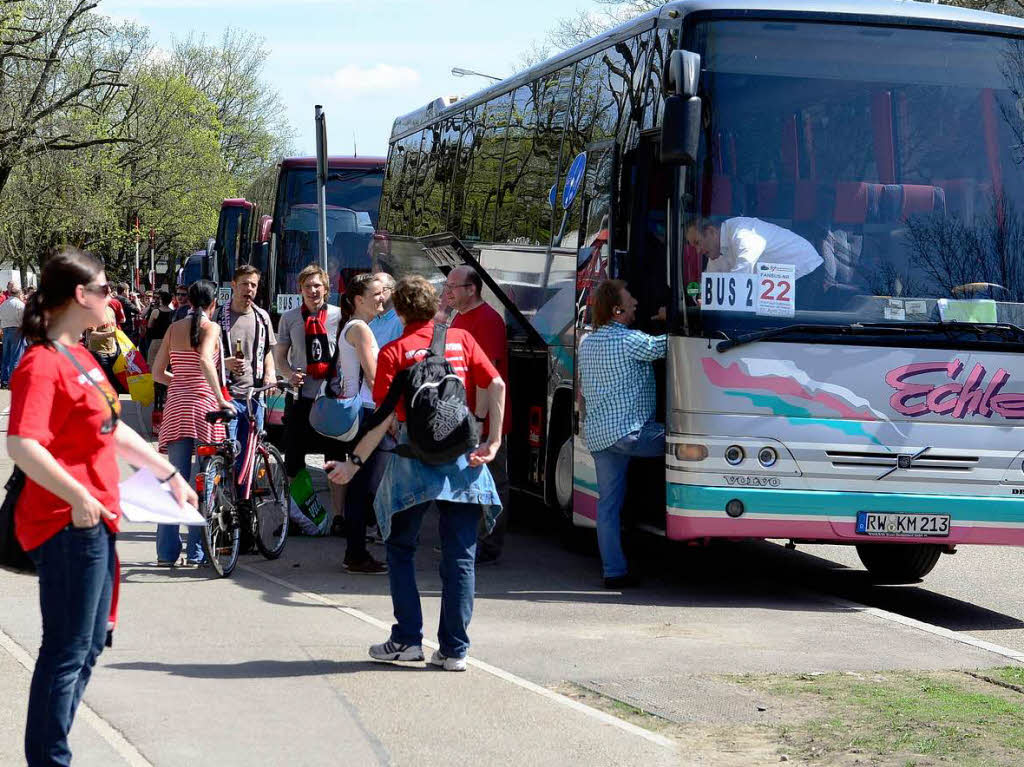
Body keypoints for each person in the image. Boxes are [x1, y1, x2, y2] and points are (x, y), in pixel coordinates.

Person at [7, 248, 196, 767]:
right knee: (65, 652)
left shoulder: (83, 357)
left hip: (97, 520)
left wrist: (169, 472)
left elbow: (112, 431)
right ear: (79, 296)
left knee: (90, 645)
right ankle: (49, 758)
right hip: (66, 523)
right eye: (105, 289)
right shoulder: (42, 363)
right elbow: (23, 443)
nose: (112, 298)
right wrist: (78, 495)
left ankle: (51, 751)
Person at [328, 275, 505, 672]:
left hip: (414, 461)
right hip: (464, 461)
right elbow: (495, 383)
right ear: (435, 306)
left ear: (400, 311)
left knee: (400, 548)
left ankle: (407, 639)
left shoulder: (395, 352)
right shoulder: (461, 340)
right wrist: (492, 442)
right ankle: (454, 650)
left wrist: (351, 465)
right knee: (461, 557)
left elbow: (382, 418)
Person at [577, 279, 666, 589]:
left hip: (600, 438)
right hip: (632, 435)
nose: (636, 305)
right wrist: (672, 320)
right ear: (617, 309)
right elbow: (670, 345)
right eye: (631, 301)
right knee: (688, 443)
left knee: (608, 506)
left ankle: (613, 572)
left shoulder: (586, 343)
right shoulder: (630, 341)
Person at [151, 280, 233, 566]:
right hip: (205, 408)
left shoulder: (173, 329)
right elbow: (205, 361)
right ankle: (198, 552)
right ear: (213, 304)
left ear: (187, 302)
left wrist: (180, 382)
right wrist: (220, 399)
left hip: (176, 407)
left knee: (175, 479)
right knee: (204, 483)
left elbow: (157, 372)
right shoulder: (212, 328)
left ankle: (166, 552)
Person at [446, 266, 511, 566]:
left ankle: (489, 543)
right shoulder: (458, 317)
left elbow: (490, 375)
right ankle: (469, 539)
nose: (448, 291)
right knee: (466, 480)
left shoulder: (488, 321)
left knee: (492, 480)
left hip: (483, 418)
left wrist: (482, 420)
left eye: (453, 286)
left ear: (472, 289)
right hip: (464, 415)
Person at [327, 273, 389, 573]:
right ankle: (355, 552)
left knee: (360, 485)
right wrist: (387, 416)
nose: (382, 297)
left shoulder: (355, 326)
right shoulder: (361, 328)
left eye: (383, 292)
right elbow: (374, 377)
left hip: (360, 411)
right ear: (358, 300)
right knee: (363, 486)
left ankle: (356, 550)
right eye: (376, 293)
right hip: (365, 413)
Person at [274, 264, 343, 520]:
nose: (312, 291)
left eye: (317, 286)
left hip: (331, 398)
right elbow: (280, 355)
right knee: (294, 458)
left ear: (326, 288)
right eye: (307, 286)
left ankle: (338, 516)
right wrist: (288, 374)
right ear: (299, 289)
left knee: (334, 458)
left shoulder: (340, 316)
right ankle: (298, 515)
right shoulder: (290, 317)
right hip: (300, 397)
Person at [217, 265, 277, 484]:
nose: (249, 289)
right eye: (244, 283)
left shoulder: (262, 317)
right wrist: (225, 363)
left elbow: (268, 351)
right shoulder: (218, 316)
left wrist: (270, 374)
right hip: (227, 397)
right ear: (233, 285)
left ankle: (244, 503)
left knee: (250, 456)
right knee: (227, 454)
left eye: (253, 285)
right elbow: (204, 357)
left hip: (255, 398)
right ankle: (224, 502)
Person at [687, 217, 823, 279]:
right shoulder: (715, 253)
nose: (698, 251)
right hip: (781, 285)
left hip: (806, 271)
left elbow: (742, 275)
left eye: (698, 242)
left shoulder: (741, 233)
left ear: (711, 231)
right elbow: (712, 281)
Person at [86, 302, 123, 393]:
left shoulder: (110, 310)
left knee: (114, 386)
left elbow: (114, 328)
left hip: (113, 352)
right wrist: (110, 334)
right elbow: (91, 335)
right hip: (99, 353)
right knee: (103, 385)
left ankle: (113, 406)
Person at [367, 271, 403, 347]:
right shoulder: (370, 322)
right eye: (372, 291)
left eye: (380, 290)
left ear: (393, 291)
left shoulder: (401, 320)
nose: (375, 295)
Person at [0, 285, 26, 387]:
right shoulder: (20, 304)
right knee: (15, 356)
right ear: (18, 294)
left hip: (5, 329)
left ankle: (4, 381)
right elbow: (23, 319)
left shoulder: (3, 304)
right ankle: (12, 381)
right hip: (17, 329)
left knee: (5, 356)